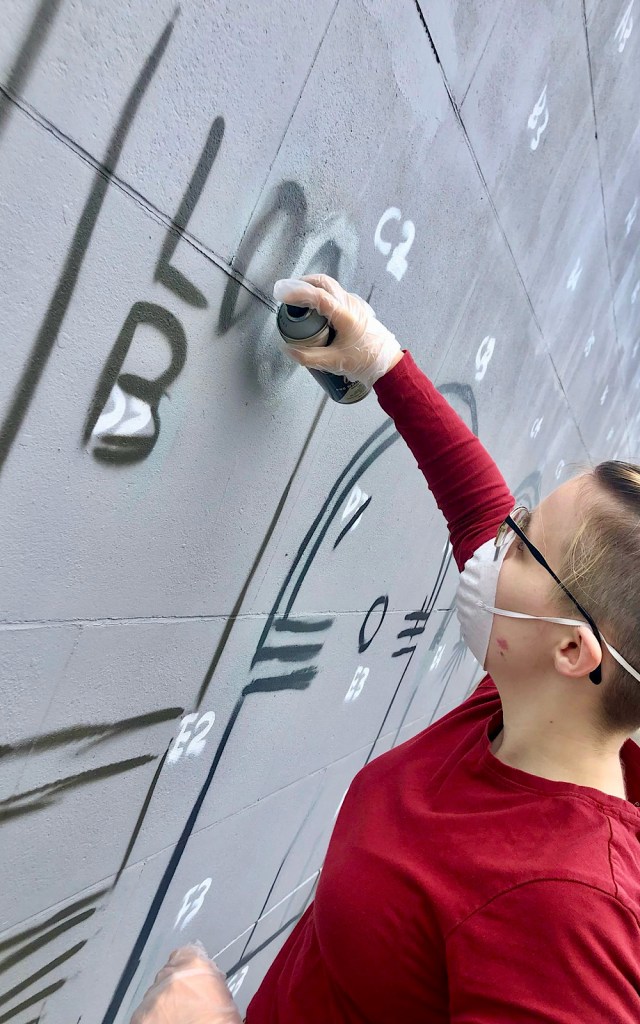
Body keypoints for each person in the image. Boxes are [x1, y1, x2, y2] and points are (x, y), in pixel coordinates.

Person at [131, 274, 640, 1023]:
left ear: (574, 651)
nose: (499, 543)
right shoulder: (529, 706)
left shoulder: (567, 910)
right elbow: (478, 511)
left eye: (526, 544)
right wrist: (381, 362)